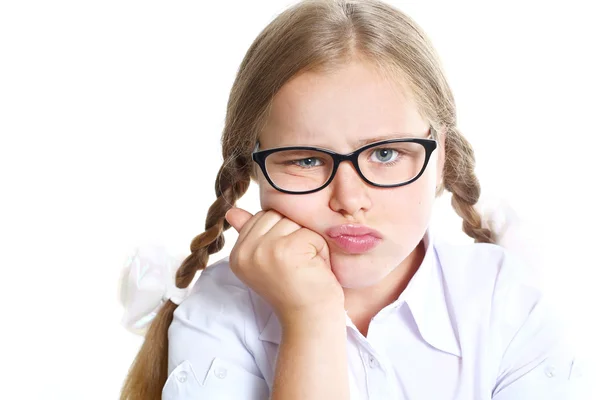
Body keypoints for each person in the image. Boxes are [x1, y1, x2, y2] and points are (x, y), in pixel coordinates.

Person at [119, 0, 577, 398]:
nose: (350, 199)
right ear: (252, 167)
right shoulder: (217, 313)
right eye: (306, 160)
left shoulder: (504, 302)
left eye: (385, 153)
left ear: (441, 158)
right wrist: (311, 317)